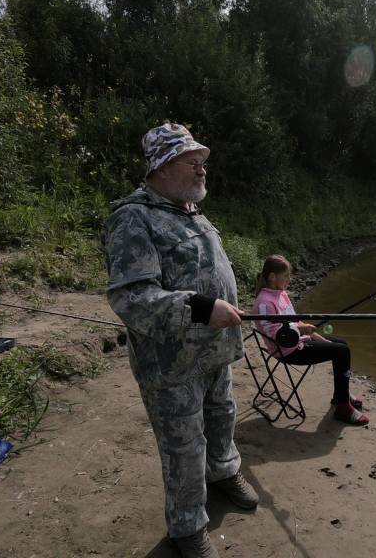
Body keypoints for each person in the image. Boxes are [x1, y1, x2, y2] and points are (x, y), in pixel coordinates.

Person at [103, 122, 258, 558]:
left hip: (215, 353)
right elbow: (130, 297)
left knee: (222, 418)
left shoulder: (191, 210)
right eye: (193, 162)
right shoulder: (133, 218)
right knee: (183, 445)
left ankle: (224, 473)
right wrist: (201, 309)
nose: (202, 169)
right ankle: (187, 527)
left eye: (203, 161)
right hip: (171, 365)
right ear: (164, 166)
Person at [252, 255, 370, 425]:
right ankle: (343, 408)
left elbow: (294, 321)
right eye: (285, 276)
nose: (289, 280)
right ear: (272, 277)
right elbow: (277, 334)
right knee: (342, 351)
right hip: (288, 351)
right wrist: (302, 329)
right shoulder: (264, 303)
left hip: (299, 341)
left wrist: (316, 336)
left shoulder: (281, 294)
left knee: (341, 345)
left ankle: (340, 395)